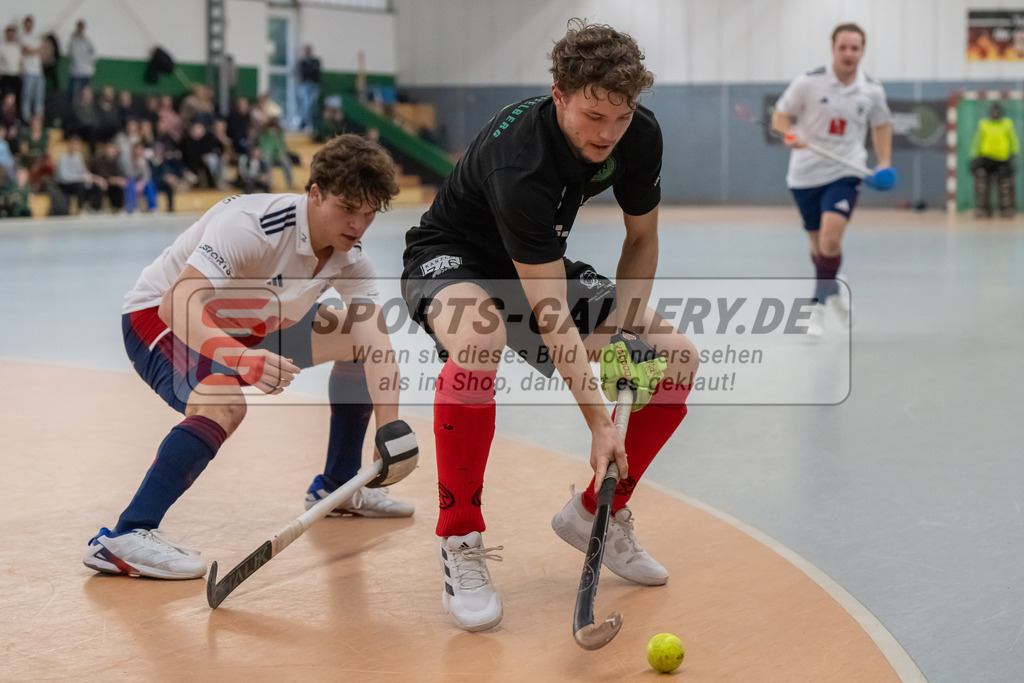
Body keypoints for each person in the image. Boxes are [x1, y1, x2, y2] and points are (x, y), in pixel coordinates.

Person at [400, 18, 698, 632]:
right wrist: (597, 422)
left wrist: (627, 337)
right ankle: (460, 538)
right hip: (454, 256)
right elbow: (547, 313)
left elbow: (641, 238)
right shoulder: (521, 163)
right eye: (593, 117)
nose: (608, 134)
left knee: (676, 357)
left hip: (540, 259)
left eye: (621, 117)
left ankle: (597, 514)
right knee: (480, 338)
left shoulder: (636, 134)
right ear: (558, 94)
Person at [82, 134, 415, 580]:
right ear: (314, 193)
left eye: (370, 213)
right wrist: (240, 360)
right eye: (347, 208)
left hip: (252, 321)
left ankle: (338, 487)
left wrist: (389, 429)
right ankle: (124, 537)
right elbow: (177, 303)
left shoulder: (352, 256)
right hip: (162, 317)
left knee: (357, 336)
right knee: (223, 403)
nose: (357, 225)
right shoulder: (251, 225)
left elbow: (377, 339)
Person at [771, 22, 892, 337]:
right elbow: (779, 116)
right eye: (843, 48)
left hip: (846, 171)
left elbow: (881, 125)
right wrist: (790, 134)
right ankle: (835, 288)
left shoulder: (872, 89)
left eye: (855, 48)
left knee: (830, 239)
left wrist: (885, 163)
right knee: (817, 245)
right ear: (833, 48)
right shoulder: (808, 83)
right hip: (805, 174)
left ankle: (817, 306)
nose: (849, 54)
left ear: (862, 51)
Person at [969, 102, 1020, 218]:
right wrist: (974, 157)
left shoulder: (1007, 124)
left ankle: (1007, 209)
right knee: (981, 183)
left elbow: (1013, 140)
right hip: (986, 159)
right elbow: (977, 141)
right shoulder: (983, 124)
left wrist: (1014, 154)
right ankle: (982, 209)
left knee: (1005, 185)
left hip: (1003, 159)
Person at [19, 16, 44, 122]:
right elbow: (26, 52)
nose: (29, 26)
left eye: (31, 23)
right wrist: (36, 51)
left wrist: (35, 51)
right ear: (24, 24)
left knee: (39, 98)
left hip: (38, 72)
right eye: (27, 23)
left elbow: (41, 52)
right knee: (27, 98)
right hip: (28, 71)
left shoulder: (36, 38)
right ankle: (26, 120)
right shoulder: (22, 37)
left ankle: (38, 121)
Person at [67, 20, 95, 105]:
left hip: (87, 73)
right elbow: (73, 55)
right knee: (75, 96)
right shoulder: (73, 40)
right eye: (79, 27)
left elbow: (93, 53)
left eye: (82, 27)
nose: (80, 29)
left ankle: (86, 113)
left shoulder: (87, 41)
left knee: (86, 98)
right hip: (77, 73)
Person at [297, 44, 321, 133]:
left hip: (314, 85)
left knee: (311, 106)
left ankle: (306, 124)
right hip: (304, 85)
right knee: (305, 105)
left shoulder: (316, 61)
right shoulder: (302, 61)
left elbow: (316, 72)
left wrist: (310, 69)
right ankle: (306, 124)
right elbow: (304, 72)